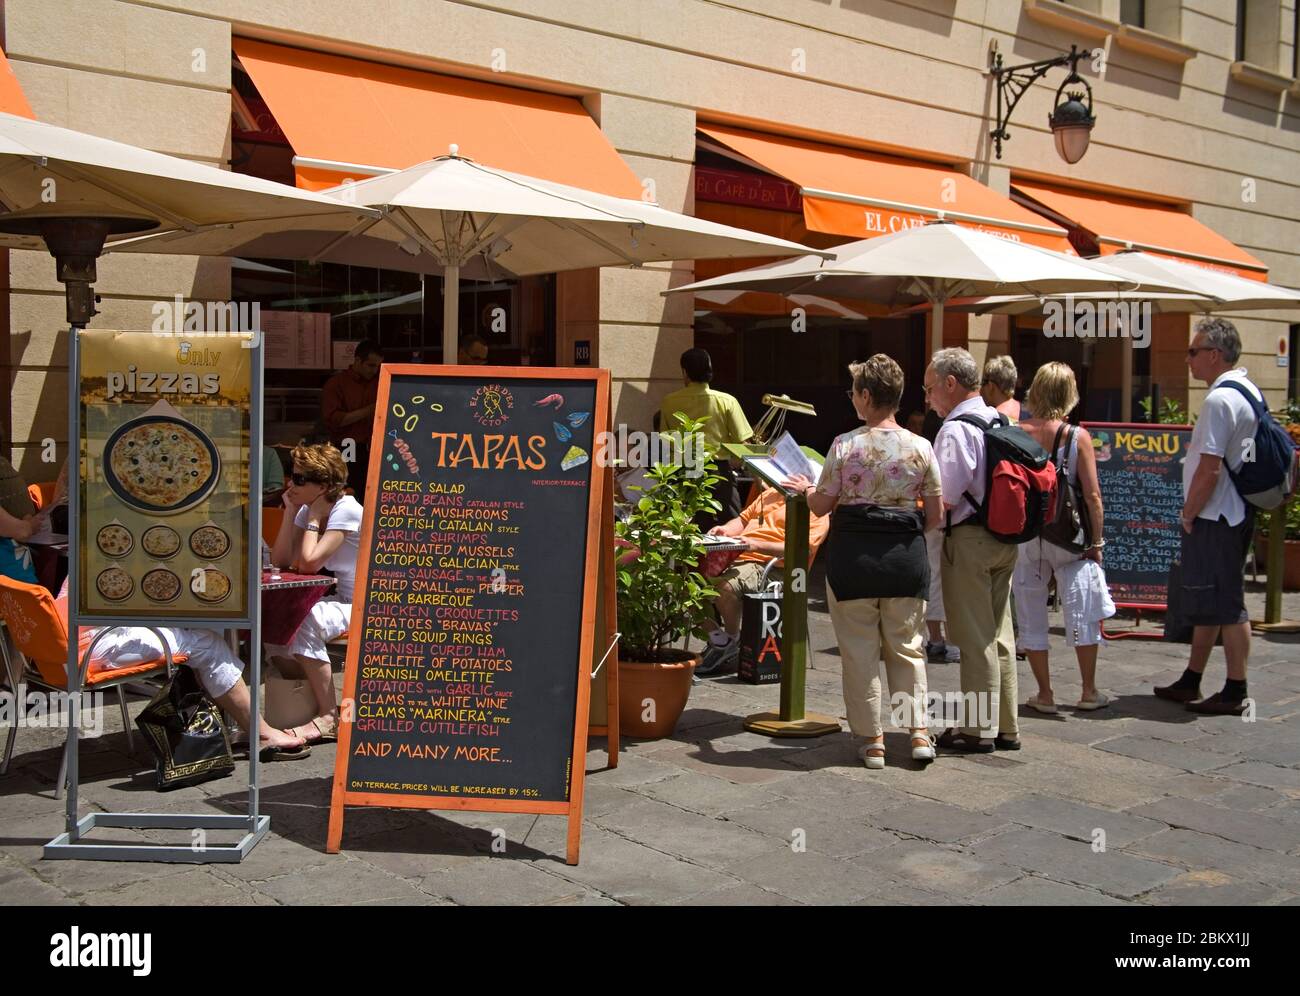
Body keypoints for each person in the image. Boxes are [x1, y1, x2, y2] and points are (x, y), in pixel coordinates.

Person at [787, 355, 942, 768]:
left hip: (853, 559)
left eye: (854, 390)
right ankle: (918, 734)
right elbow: (936, 516)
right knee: (908, 649)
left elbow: (821, 505)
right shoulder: (921, 446)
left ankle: (872, 741)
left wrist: (803, 489)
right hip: (904, 560)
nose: (852, 397)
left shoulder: (845, 444)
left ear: (867, 395)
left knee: (858, 651)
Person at [1154, 318, 1260, 715]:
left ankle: (1235, 690)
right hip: (1235, 512)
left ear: (1215, 355)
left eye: (1193, 351)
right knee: (1212, 600)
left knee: (1229, 604)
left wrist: (1188, 512)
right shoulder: (1246, 389)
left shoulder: (1219, 401)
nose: (1187, 360)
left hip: (1217, 516)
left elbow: (1210, 468)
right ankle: (1192, 678)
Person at [926, 347, 1019, 753]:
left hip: (969, 540)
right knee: (1000, 635)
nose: (927, 398)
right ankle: (1006, 727)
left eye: (930, 388)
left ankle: (976, 729)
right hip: (1004, 538)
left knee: (974, 637)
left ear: (950, 384)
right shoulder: (998, 416)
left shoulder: (955, 428)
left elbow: (943, 497)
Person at [1013, 362, 1113, 713]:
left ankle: (1045, 693)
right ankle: (1088, 690)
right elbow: (1093, 496)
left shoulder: (1017, 431)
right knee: (1083, 608)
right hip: (1069, 536)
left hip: (1027, 535)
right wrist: (1096, 543)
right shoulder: (1077, 436)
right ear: (1069, 395)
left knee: (1030, 608)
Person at [88, 624, 308, 757]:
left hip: (66, 650)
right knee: (209, 644)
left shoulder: (90, 555)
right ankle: (261, 733)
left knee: (198, 635)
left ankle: (218, 725)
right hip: (97, 644)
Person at [266, 443, 362, 743]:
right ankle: (300, 704)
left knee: (305, 619)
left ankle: (329, 715)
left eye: (298, 478)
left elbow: (308, 564)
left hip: (368, 602)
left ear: (322, 485)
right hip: (345, 599)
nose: (289, 483)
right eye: (290, 476)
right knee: (277, 622)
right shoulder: (308, 507)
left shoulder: (346, 508)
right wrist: (291, 510)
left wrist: (312, 518)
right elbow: (281, 560)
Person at [696, 485, 829, 676]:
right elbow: (742, 520)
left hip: (772, 566)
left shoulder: (815, 508)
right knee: (685, 585)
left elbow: (803, 548)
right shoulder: (770, 493)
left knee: (724, 587)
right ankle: (720, 640)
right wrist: (725, 529)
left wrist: (757, 545)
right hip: (737, 554)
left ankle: (732, 639)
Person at [659, 348, 753, 529]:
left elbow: (666, 441)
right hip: (719, 473)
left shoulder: (669, 401)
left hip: (683, 470)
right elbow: (743, 443)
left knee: (689, 528)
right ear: (710, 370)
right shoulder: (727, 401)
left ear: (685, 372)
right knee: (730, 526)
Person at [322, 339, 383, 493]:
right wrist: (371, 409)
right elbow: (334, 419)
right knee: (350, 491)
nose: (374, 370)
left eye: (377, 366)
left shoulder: (379, 382)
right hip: (348, 446)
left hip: (375, 448)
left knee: (372, 492)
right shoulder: (336, 384)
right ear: (357, 360)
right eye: (371, 365)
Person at [981, 354, 1022, 422]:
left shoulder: (991, 420)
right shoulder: (1029, 413)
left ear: (991, 386)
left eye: (984, 382)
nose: (981, 388)